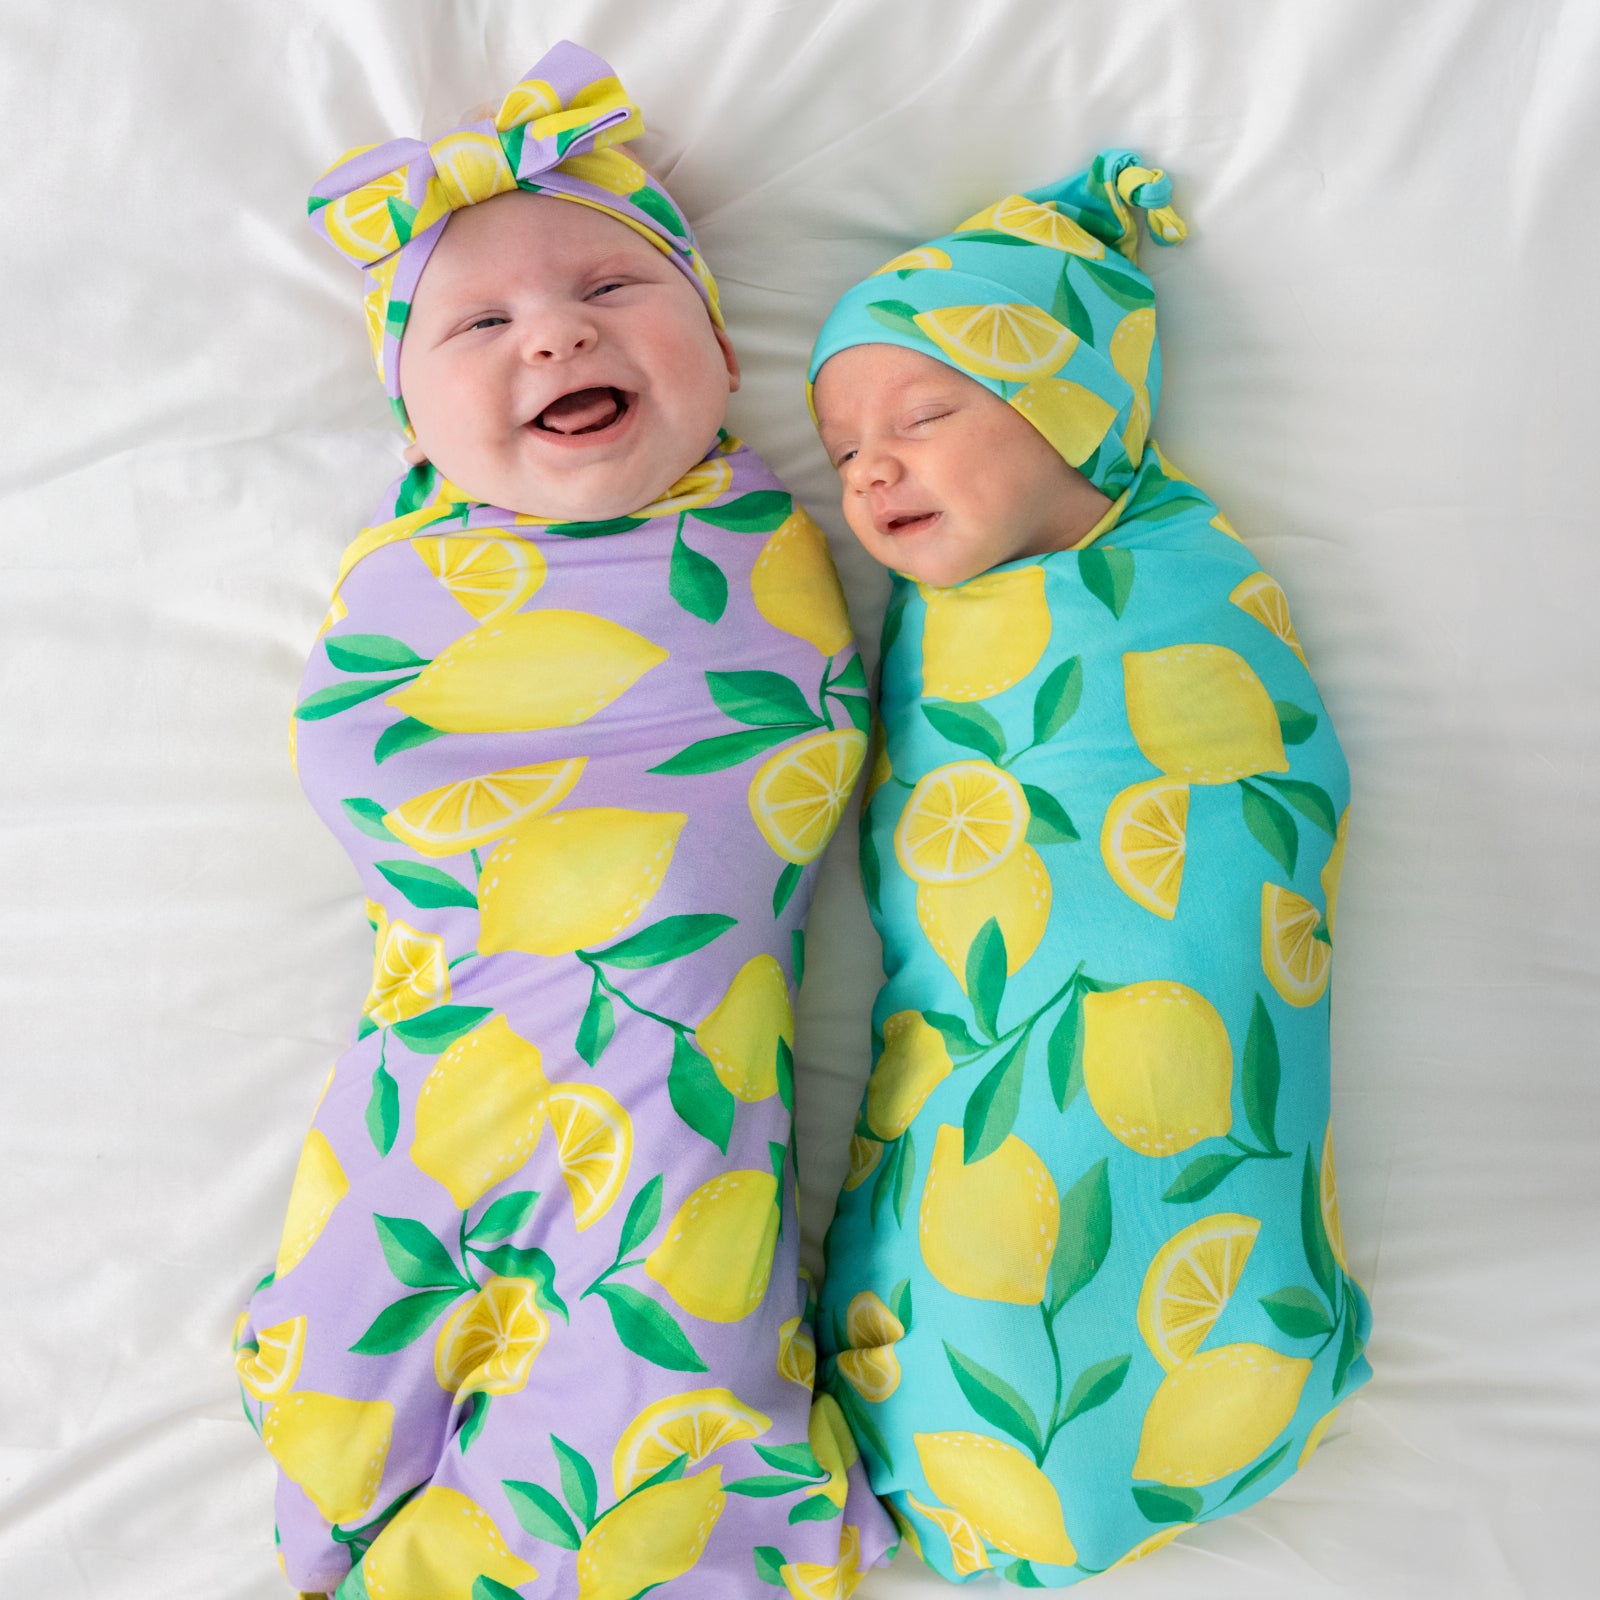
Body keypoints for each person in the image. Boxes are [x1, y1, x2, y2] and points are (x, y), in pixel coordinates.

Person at [234, 41, 893, 1599]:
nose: (556, 332)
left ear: (722, 356)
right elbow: (366, 752)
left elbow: (773, 757)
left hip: (672, 1063)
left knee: (657, 1365)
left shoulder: (756, 550)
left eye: (613, 287)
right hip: (443, 1041)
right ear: (412, 423)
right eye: (480, 324)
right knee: (344, 1350)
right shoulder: (410, 567)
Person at [806, 151, 1372, 1584]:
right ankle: (966, 1426)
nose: (869, 467)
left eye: (922, 414)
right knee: (980, 1210)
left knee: (1143, 1156)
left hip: (1172, 1000)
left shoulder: (1185, 578)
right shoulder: (926, 628)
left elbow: (1267, 785)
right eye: (841, 449)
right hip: (986, 1028)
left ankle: (1231, 1355)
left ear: (1067, 404)